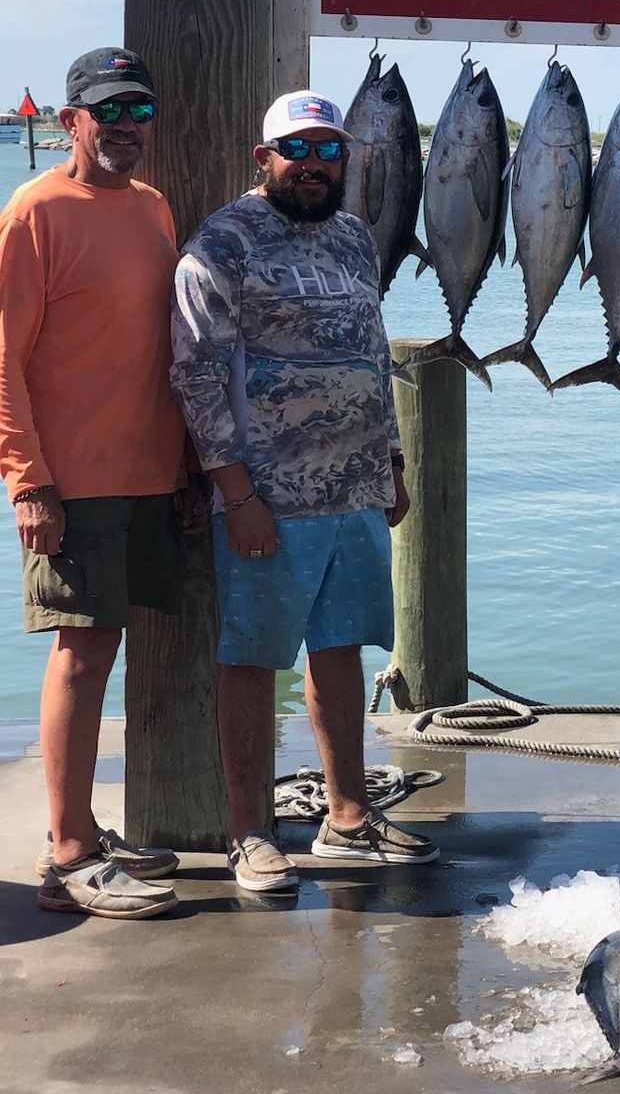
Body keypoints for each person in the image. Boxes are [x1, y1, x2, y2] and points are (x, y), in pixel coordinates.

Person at [171, 89, 434, 895]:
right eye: (299, 151)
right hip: (269, 499)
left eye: (329, 152)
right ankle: (248, 830)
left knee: (341, 649)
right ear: (266, 158)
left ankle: (348, 817)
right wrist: (235, 490)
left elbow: (370, 346)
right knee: (251, 658)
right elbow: (195, 370)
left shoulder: (355, 236)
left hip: (354, 489)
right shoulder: (224, 240)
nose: (315, 166)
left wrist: (391, 457)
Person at [0, 47, 201, 919]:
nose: (126, 128)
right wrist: (27, 478)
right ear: (69, 120)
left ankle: (83, 825)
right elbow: (2, 359)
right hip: (70, 478)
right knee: (80, 652)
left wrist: (190, 467)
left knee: (110, 643)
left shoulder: (155, 209)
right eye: (108, 113)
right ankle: (70, 857)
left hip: (151, 471)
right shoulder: (34, 211)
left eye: (140, 113)